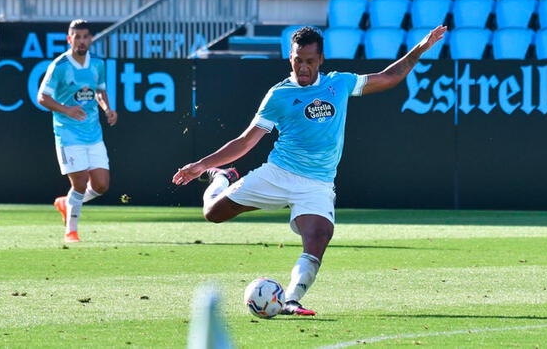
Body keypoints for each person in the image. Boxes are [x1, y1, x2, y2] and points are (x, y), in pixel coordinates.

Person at [172, 25, 446, 315]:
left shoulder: (339, 84)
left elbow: (390, 77)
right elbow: (246, 140)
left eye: (309, 61)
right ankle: (221, 177)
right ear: (290, 58)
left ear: (321, 60)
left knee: (319, 237)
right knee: (213, 213)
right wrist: (205, 165)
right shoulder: (279, 94)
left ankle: (290, 300)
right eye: (297, 60)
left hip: (316, 183)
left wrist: (421, 48)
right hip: (278, 174)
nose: (303, 67)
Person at [38, 19, 118, 243]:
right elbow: (42, 97)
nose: (82, 41)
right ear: (69, 38)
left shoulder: (97, 64)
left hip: (93, 132)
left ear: (90, 39)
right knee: (80, 182)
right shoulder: (60, 65)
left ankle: (67, 203)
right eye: (77, 37)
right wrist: (67, 110)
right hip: (67, 132)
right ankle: (71, 231)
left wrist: (107, 109)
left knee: (101, 185)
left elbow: (100, 91)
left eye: (85, 37)